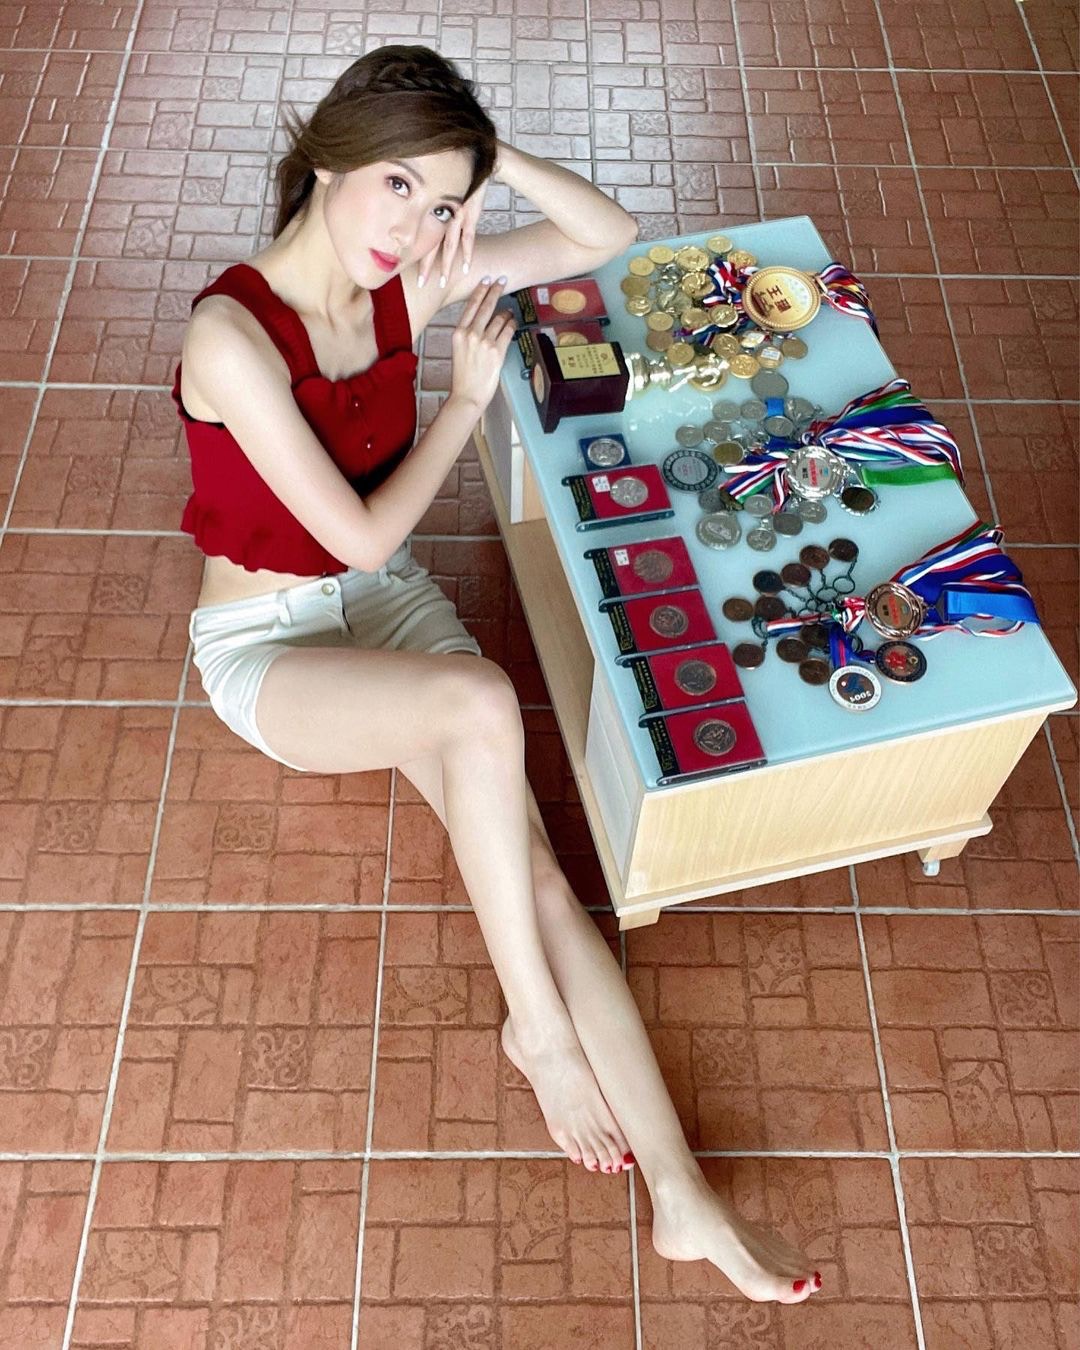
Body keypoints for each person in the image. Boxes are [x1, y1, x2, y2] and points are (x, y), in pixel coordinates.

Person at [174, 44, 821, 1305]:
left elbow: (604, 235)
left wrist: (482, 154)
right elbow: (358, 538)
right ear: (329, 160)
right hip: (271, 646)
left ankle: (684, 1196)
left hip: (387, 608)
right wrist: (466, 402)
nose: (416, 227)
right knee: (480, 705)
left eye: (444, 204)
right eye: (397, 185)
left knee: (535, 874)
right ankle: (535, 1029)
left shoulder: (411, 275)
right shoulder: (231, 335)